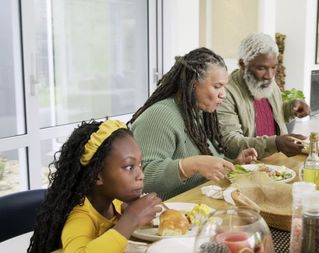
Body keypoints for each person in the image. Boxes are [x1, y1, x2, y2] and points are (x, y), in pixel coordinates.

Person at [129, 47, 257, 200]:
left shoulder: (199, 113)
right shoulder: (159, 116)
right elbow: (142, 178)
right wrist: (193, 165)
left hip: (198, 207)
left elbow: (203, 170)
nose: (223, 94)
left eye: (224, 86)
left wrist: (234, 163)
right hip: (165, 216)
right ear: (193, 83)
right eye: (217, 86)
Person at [28, 120, 162, 253]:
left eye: (139, 164)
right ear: (97, 176)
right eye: (129, 167)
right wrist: (130, 220)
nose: (141, 175)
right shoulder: (80, 218)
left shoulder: (116, 203)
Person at [217, 32, 311, 159]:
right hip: (249, 167)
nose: (270, 75)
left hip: (279, 162)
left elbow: (275, 116)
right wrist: (275, 143)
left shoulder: (268, 82)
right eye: (261, 68)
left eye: (273, 67)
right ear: (242, 65)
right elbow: (231, 144)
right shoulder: (226, 93)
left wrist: (292, 109)